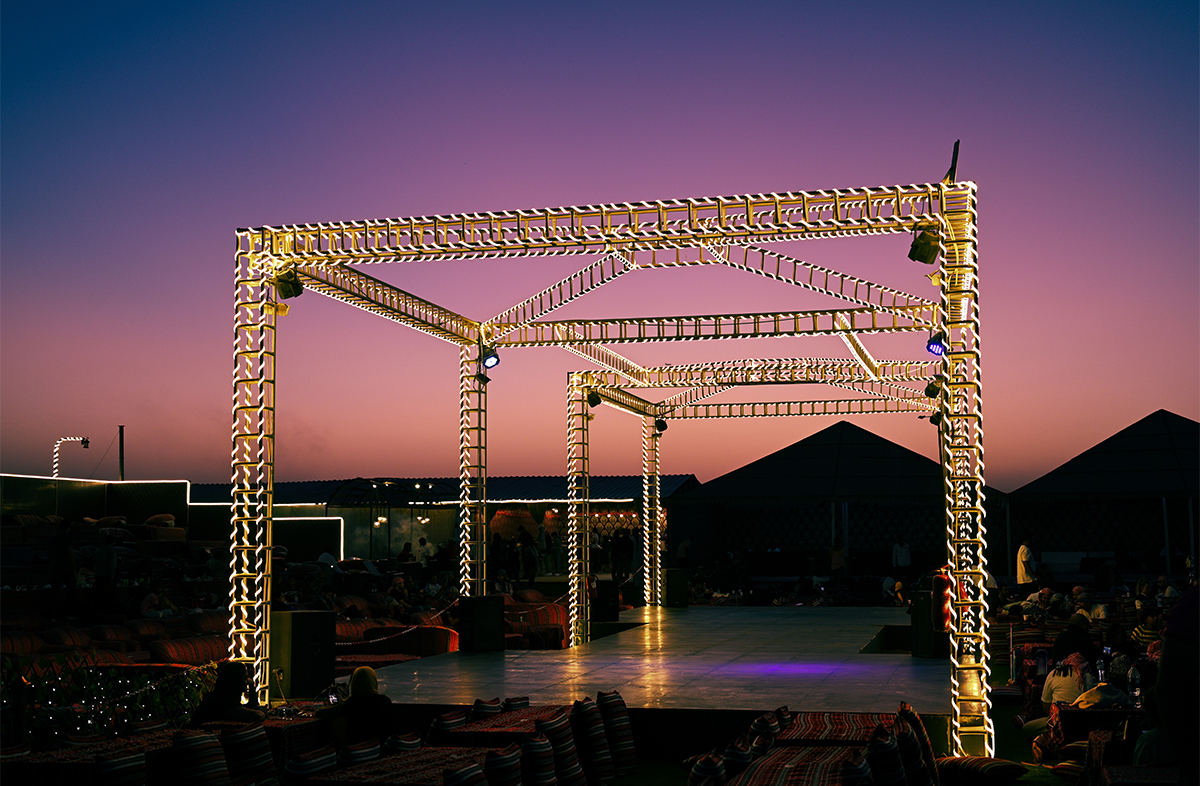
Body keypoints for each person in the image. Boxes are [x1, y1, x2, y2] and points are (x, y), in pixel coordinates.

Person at [1019, 653, 1097, 740]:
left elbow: (1045, 706)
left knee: (1027, 729)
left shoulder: (1055, 673)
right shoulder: (1090, 677)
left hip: (1058, 722)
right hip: (1084, 724)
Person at [317, 666, 394, 746]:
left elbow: (321, 712)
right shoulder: (385, 701)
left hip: (358, 748)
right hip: (379, 748)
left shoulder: (353, 703)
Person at [190, 661, 266, 725]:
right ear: (236, 681)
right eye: (245, 678)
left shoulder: (220, 696)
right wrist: (262, 713)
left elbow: (252, 707)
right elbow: (258, 716)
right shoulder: (223, 701)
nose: (247, 681)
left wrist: (252, 686)